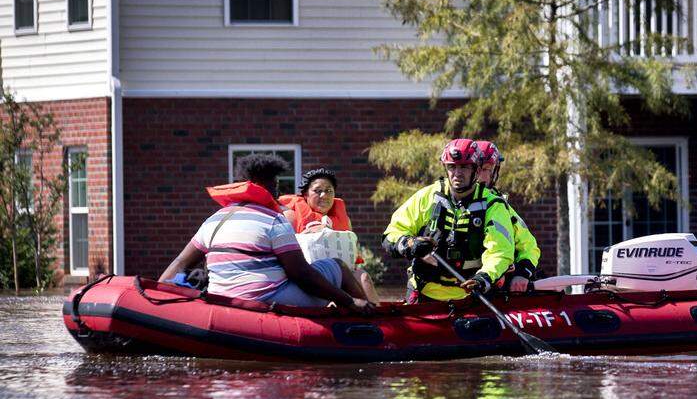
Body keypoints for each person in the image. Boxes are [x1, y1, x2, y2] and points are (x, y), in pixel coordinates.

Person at [159, 154, 373, 310]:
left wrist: (157, 295)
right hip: (268, 299)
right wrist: (349, 300)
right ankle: (371, 319)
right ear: (269, 186)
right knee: (337, 265)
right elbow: (301, 275)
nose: (279, 189)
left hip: (222, 299)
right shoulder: (274, 220)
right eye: (276, 183)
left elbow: (179, 263)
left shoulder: (214, 219)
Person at [382, 138, 515, 303]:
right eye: (452, 167)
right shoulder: (428, 196)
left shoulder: (493, 205)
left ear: (477, 170)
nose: (457, 173)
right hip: (424, 293)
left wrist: (483, 278)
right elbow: (392, 233)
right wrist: (409, 244)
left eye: (464, 167)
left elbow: (500, 251)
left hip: (471, 296)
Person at [279, 168, 381, 304]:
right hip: (307, 274)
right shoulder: (290, 217)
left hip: (342, 273)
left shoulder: (344, 220)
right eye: (317, 191)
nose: (324, 196)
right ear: (305, 194)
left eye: (329, 191)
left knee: (364, 277)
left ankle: (377, 318)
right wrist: (306, 235)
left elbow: (351, 255)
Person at [472, 140, 540, 292]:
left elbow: (529, 246)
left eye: (487, 169)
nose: (482, 174)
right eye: (479, 169)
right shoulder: (446, 199)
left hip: (492, 289)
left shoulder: (500, 205)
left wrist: (522, 274)